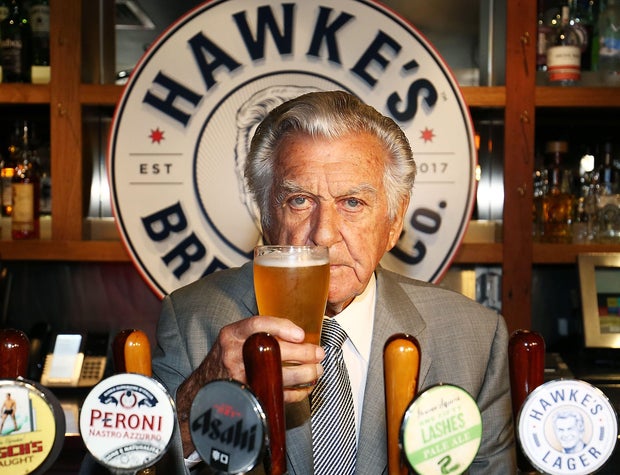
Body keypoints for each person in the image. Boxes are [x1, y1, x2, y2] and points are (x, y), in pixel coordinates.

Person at [152, 90, 516, 474]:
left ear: (394, 222)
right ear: (265, 216)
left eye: (353, 203)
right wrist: (200, 404)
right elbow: (123, 465)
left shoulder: (474, 339)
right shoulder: (191, 320)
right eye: (299, 201)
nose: (324, 234)